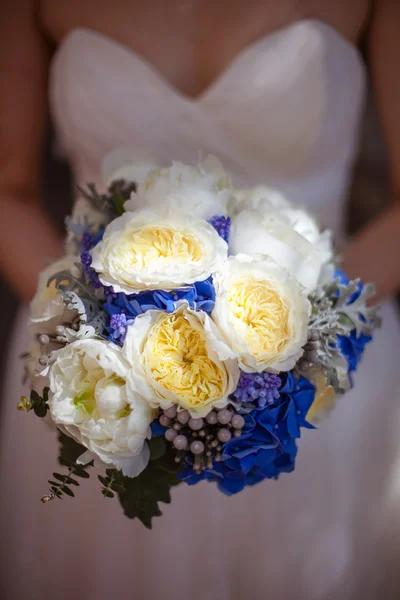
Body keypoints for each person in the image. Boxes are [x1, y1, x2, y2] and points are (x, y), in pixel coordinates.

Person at [1, 1, 400, 598]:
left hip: (324, 387)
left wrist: (296, 347)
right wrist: (106, 341)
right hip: (91, 387)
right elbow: (9, 190)